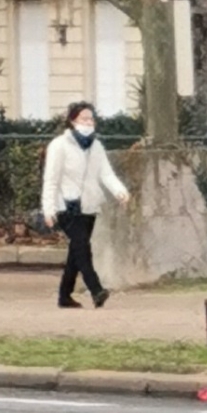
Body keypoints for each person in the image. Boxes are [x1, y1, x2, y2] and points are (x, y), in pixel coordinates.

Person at [40, 102, 129, 308]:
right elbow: (51, 179)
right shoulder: (59, 145)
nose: (89, 123)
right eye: (84, 119)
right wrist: (48, 208)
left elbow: (105, 173)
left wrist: (119, 191)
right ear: (73, 121)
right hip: (66, 205)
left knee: (76, 251)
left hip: (89, 205)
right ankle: (96, 289)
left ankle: (64, 295)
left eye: (91, 119)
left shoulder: (96, 146)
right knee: (82, 247)